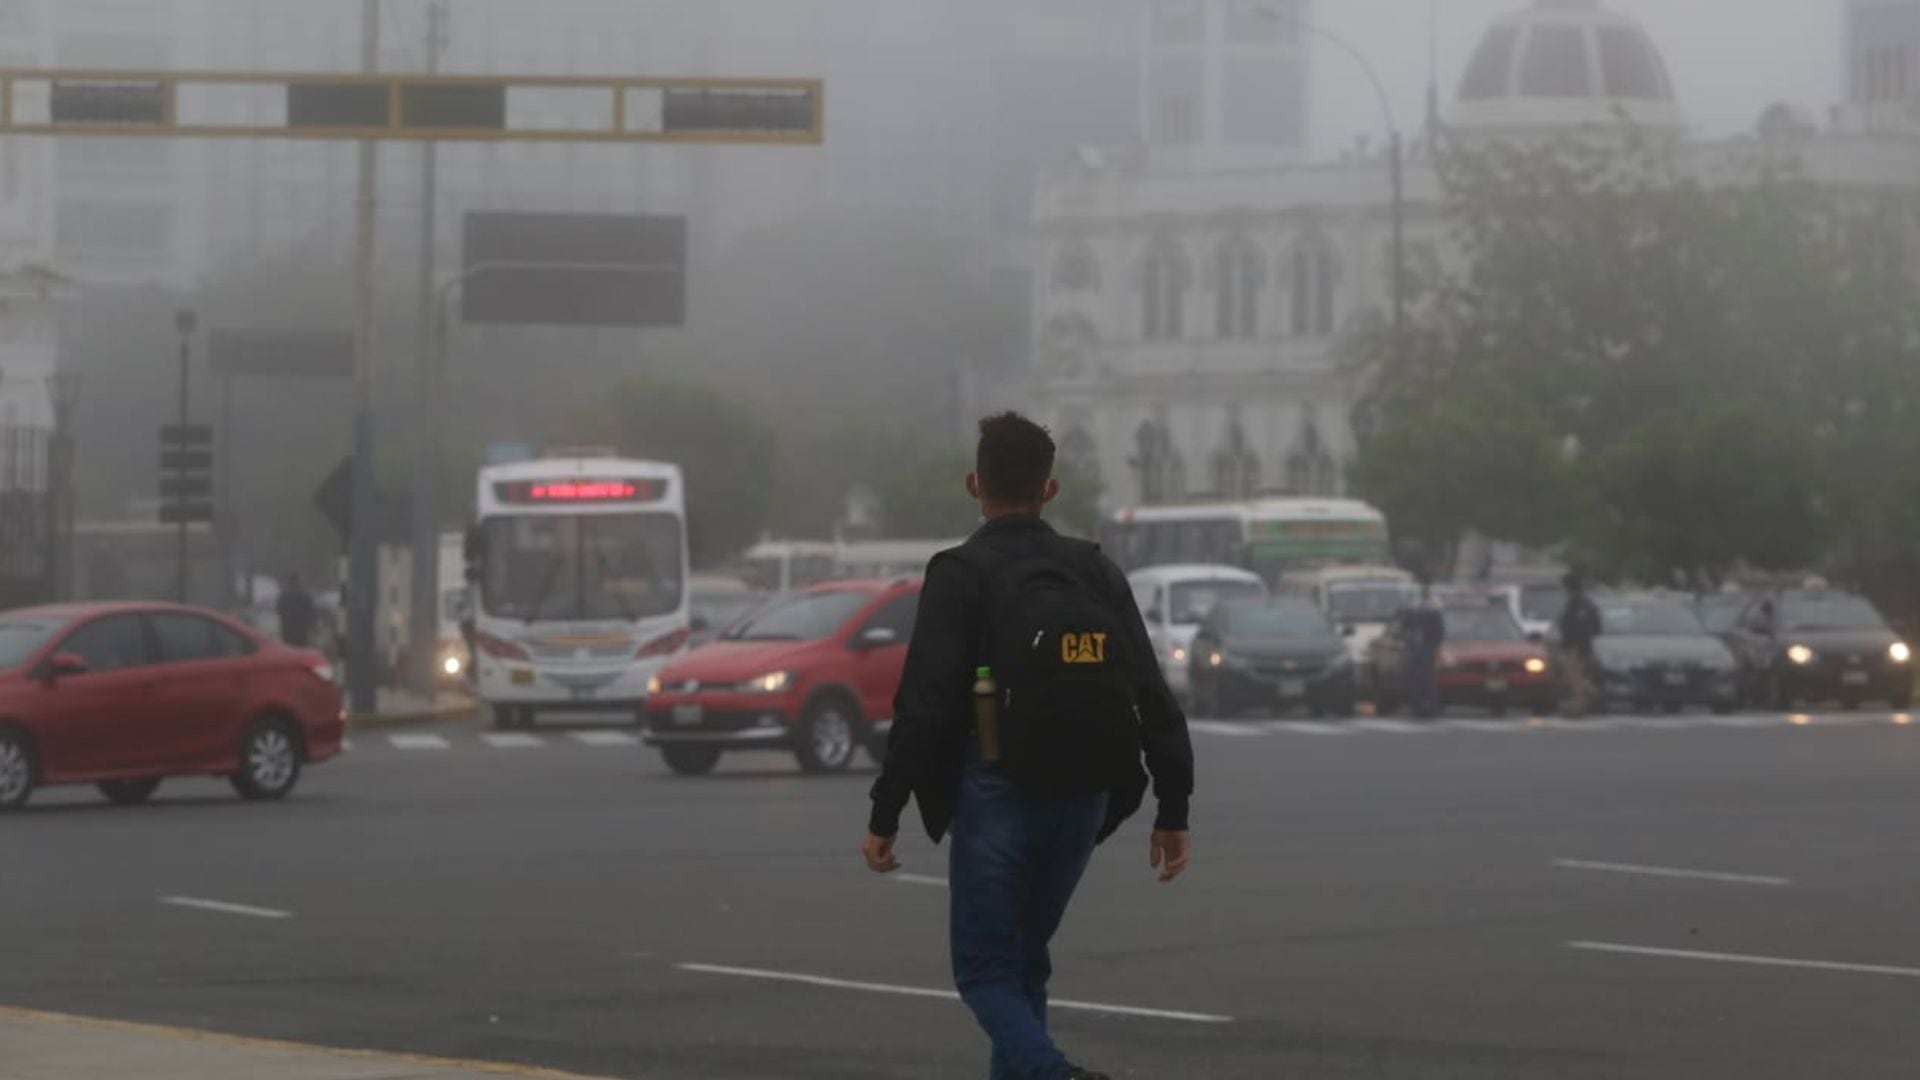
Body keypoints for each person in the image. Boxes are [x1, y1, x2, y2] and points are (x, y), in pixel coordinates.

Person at [862, 412, 1194, 1080]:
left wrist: (885, 813)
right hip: (1087, 796)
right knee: (1024, 962)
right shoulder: (1094, 570)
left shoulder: (961, 572)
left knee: (984, 973)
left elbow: (923, 704)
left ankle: (1055, 1075)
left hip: (997, 790)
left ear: (972, 484)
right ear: (1050, 489)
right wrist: (1172, 806)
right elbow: (1150, 691)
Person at [1557, 572, 1604, 718]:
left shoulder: (1582, 606)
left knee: (1575, 678)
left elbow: (1594, 628)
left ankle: (1582, 704)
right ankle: (1582, 702)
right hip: (1572, 646)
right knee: (1573, 678)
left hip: (1577, 646)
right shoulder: (1574, 605)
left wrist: (1577, 641)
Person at [1402, 583, 1446, 719]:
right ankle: (1421, 707)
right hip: (1420, 650)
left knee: (1425, 681)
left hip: (1424, 650)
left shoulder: (1430, 611)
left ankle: (1427, 707)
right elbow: (1406, 627)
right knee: (1421, 681)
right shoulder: (1419, 611)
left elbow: (1438, 633)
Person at [276, 573, 317, 649]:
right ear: (299, 583)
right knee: (301, 653)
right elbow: (311, 614)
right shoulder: (305, 597)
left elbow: (279, 611)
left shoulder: (283, 597)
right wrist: (313, 628)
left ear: (289, 583)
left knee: (288, 653)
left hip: (287, 632)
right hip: (301, 632)